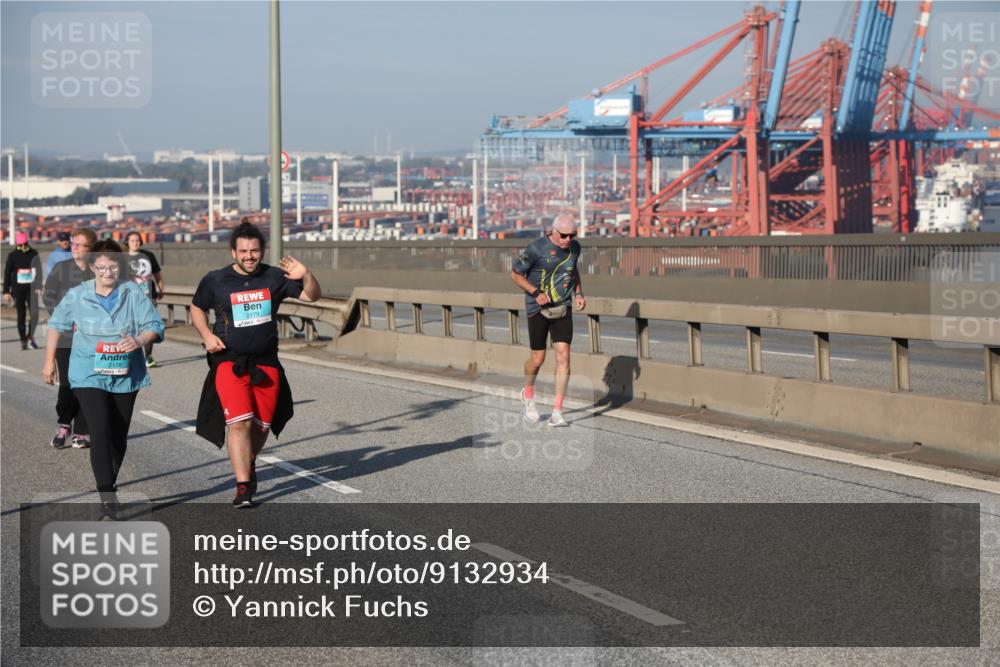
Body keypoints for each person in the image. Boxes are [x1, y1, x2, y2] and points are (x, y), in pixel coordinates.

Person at [191, 222, 321, 507]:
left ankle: (247, 462)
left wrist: (307, 275)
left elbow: (312, 296)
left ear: (262, 251)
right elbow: (197, 306)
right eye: (243, 251)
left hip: (266, 362)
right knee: (239, 423)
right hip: (229, 360)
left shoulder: (274, 277)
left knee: (261, 427)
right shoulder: (216, 279)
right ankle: (243, 487)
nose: (249, 256)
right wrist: (207, 335)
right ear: (233, 252)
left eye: (254, 251)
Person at [41, 240, 164, 511]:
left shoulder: (132, 292)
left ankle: (111, 480)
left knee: (118, 435)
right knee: (99, 429)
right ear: (92, 267)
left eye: (112, 268)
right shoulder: (77, 294)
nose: (107, 273)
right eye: (101, 268)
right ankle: (107, 496)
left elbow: (155, 325)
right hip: (88, 372)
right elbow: (56, 325)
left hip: (126, 373)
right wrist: (49, 363)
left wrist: (139, 340)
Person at [510, 214, 586, 427]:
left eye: (572, 235)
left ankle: (557, 412)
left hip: (562, 306)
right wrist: (535, 293)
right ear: (553, 231)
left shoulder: (575, 248)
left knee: (564, 357)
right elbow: (516, 274)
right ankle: (528, 394)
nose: (568, 239)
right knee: (538, 359)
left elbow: (573, 270)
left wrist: (579, 293)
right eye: (564, 235)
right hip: (538, 308)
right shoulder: (536, 249)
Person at [42, 227, 97, 449]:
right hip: (65, 337)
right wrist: (63, 317)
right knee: (67, 382)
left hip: (91, 338)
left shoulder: (98, 271)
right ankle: (64, 424)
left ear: (91, 249)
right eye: (74, 243)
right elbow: (48, 296)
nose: (75, 248)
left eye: (81, 245)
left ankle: (82, 431)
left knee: (87, 383)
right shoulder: (61, 268)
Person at [124, 231, 165, 368]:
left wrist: (161, 287)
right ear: (127, 242)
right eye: (132, 240)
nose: (135, 243)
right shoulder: (122, 258)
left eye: (137, 240)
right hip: (130, 298)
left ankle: (148, 357)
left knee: (149, 326)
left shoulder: (148, 255)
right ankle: (131, 355)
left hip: (148, 296)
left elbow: (157, 273)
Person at [3, 231, 43, 350]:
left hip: (31, 289)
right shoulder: (13, 255)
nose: (23, 246)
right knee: (21, 315)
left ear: (27, 243)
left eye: (25, 244)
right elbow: (7, 273)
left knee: (34, 314)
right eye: (20, 245)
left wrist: (39, 286)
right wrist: (6, 291)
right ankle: (23, 340)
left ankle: (30, 337)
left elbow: (39, 270)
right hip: (18, 290)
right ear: (18, 244)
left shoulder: (34, 253)